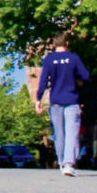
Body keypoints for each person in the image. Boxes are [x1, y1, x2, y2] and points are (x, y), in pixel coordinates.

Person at [35, 35, 92, 176]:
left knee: (59, 133)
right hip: (72, 99)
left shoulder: (48, 60)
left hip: (55, 101)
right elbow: (86, 76)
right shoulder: (73, 58)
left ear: (54, 45)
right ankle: (68, 164)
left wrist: (38, 100)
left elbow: (43, 80)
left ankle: (61, 162)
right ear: (67, 43)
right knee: (72, 132)